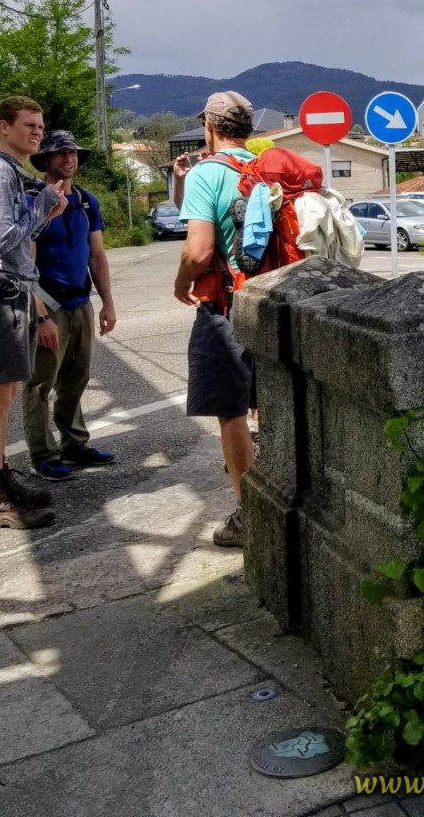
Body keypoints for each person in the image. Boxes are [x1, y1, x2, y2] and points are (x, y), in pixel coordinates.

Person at [0, 97, 70, 529]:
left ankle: (0, 479)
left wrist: (47, 212)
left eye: (40, 126)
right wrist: (43, 205)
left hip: (12, 292)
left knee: (3, 395)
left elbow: (21, 237)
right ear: (3, 127)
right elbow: (1, 238)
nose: (37, 132)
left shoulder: (10, 171)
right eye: (28, 125)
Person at [172, 91, 258, 548]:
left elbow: (200, 250)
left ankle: (251, 516)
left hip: (226, 306)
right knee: (270, 404)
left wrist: (181, 281)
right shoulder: (263, 168)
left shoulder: (207, 172)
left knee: (231, 411)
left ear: (209, 126)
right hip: (272, 302)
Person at [22, 130, 118, 480]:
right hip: (48, 303)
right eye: (60, 153)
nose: (68, 158)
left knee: (76, 378)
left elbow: (97, 256)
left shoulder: (86, 201)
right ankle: (43, 455)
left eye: (73, 153)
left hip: (80, 301)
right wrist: (40, 315)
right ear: (46, 160)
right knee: (40, 383)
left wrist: (107, 304)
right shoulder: (33, 201)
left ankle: (74, 444)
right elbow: (25, 263)